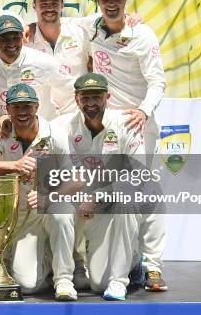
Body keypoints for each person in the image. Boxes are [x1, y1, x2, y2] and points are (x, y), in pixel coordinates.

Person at [87, 0, 167, 292]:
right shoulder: (90, 27)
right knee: (110, 195)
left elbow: (157, 81)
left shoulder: (143, 35)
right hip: (106, 124)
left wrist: (143, 111)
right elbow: (56, 22)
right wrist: (32, 29)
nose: (110, 1)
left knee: (139, 193)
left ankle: (153, 266)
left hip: (137, 124)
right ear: (98, 0)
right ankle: (130, 264)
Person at [0, 83, 78, 301]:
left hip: (47, 207)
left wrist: (48, 197)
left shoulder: (55, 134)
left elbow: (77, 179)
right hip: (19, 216)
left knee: (62, 212)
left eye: (27, 106)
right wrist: (15, 165)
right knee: (27, 285)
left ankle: (64, 280)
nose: (22, 112)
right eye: (16, 107)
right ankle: (47, 260)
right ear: (8, 110)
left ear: (37, 107)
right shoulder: (2, 132)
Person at [55, 72, 154, 301]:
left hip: (115, 204)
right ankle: (124, 264)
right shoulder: (64, 125)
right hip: (86, 209)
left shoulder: (126, 124)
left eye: (96, 97)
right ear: (77, 99)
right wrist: (5, 120)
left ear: (107, 97)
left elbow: (138, 177)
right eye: (85, 97)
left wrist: (99, 195)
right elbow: (37, 127)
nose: (91, 103)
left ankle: (121, 279)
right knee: (98, 284)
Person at [0, 15, 74, 121]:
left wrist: (62, 125)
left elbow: (72, 93)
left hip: (44, 132)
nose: (11, 43)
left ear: (22, 37)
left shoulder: (43, 62)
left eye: (16, 37)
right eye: (5, 38)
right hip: (7, 133)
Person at [26, 0, 91, 114]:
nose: (49, 9)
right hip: (41, 118)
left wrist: (128, 16)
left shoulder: (80, 34)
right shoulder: (25, 40)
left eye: (54, 4)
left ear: (62, 5)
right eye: (43, 4)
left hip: (78, 115)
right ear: (34, 6)